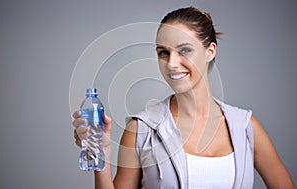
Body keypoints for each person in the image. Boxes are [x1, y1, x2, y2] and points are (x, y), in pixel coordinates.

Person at [72, 7, 295, 189]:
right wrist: (99, 157)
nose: (171, 63)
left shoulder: (245, 127)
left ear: (210, 51)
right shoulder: (141, 130)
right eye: (163, 52)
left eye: (184, 50)